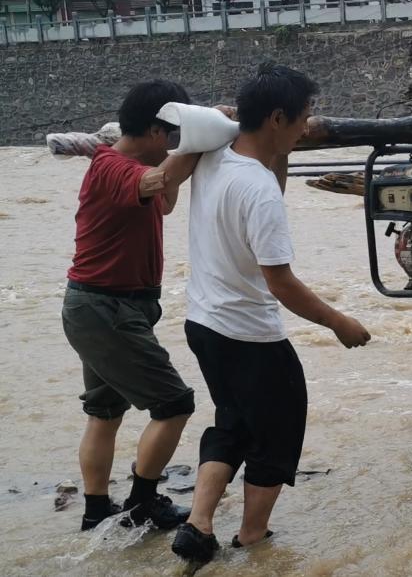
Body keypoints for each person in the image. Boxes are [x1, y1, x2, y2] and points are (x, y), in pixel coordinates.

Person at [171, 64, 371, 563]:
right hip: (248, 333)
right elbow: (280, 282)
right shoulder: (256, 191)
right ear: (277, 117)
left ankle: (198, 523)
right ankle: (253, 536)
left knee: (232, 422)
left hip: (203, 322)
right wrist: (338, 322)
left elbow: (267, 181)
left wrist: (281, 150)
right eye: (303, 118)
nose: (309, 127)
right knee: (279, 430)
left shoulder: (216, 156)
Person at [62, 80, 201, 532]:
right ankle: (143, 503)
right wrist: (201, 140)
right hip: (108, 310)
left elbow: (163, 202)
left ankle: (96, 511)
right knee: (175, 403)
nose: (176, 144)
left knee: (105, 413)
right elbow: (159, 181)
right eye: (174, 134)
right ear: (158, 132)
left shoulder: (127, 167)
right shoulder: (113, 167)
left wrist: (183, 148)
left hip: (101, 307)